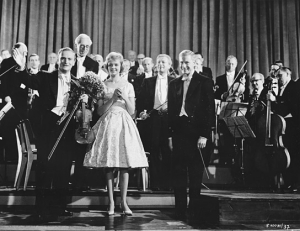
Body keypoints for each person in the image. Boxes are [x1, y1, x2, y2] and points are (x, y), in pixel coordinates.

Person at [13, 47, 80, 221]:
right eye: (63, 58)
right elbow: (28, 80)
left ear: (74, 62)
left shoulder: (77, 82)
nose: (66, 62)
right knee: (44, 166)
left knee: (64, 168)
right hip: (48, 128)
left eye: (69, 59)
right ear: (58, 60)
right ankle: (41, 208)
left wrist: (84, 101)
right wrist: (21, 67)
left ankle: (60, 206)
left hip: (67, 128)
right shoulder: (45, 76)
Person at [83, 52, 148, 216]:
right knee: (109, 165)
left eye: (116, 65)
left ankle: (124, 202)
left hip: (124, 124)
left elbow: (132, 111)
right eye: (110, 65)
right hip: (108, 124)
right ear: (107, 66)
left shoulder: (129, 85)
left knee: (124, 165)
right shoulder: (102, 85)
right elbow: (99, 111)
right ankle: (111, 202)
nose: (113, 67)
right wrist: (111, 99)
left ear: (121, 67)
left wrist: (124, 97)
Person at [168, 50, 215, 220]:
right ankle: (180, 211)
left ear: (194, 63)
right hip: (179, 133)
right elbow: (171, 112)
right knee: (179, 174)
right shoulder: (174, 83)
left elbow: (210, 111)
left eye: (187, 63)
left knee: (195, 174)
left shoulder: (205, 82)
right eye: (181, 63)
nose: (184, 66)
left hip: (197, 134)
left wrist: (204, 135)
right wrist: (170, 136)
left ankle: (194, 210)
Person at [136, 54, 175, 191]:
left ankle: (168, 184)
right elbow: (140, 102)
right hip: (153, 120)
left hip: (169, 121)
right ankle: (156, 183)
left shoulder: (175, 81)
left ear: (169, 65)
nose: (161, 65)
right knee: (154, 151)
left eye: (164, 62)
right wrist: (142, 112)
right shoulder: (148, 81)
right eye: (159, 62)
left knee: (168, 151)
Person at [71, 33, 99, 191]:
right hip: (70, 106)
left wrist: (87, 98)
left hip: (85, 107)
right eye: (81, 46)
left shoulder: (93, 64)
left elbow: (93, 86)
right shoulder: (70, 59)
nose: (84, 49)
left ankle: (80, 179)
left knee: (84, 144)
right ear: (76, 45)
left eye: (87, 47)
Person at [267, 67, 300, 192]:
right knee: (288, 155)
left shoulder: (294, 87)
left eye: (280, 75)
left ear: (288, 74)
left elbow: (291, 107)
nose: (278, 78)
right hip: (285, 128)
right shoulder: (282, 88)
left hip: (293, 127)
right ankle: (289, 182)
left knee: (294, 156)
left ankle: (295, 183)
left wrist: (276, 100)